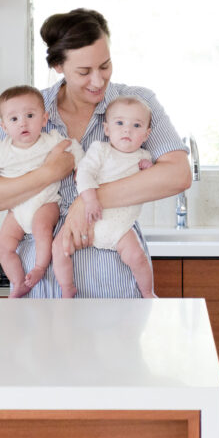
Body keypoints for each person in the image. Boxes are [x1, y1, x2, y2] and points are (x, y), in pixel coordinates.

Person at [0, 8, 191, 298]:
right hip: (43, 290)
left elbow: (178, 174)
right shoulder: (28, 110)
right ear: (58, 66)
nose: (98, 81)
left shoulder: (137, 105)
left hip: (116, 286)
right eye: (84, 72)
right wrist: (48, 173)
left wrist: (85, 204)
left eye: (105, 66)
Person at [0, 85, 83, 298]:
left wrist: (79, 168)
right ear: (4, 126)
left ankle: (38, 268)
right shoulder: (0, 149)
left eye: (30, 115)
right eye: (14, 119)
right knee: (3, 245)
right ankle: (18, 282)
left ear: (44, 119)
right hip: (17, 208)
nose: (23, 123)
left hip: (46, 202)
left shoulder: (52, 140)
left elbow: (73, 146)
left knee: (41, 230)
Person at [53, 95, 157, 298]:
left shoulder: (144, 158)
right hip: (87, 218)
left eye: (136, 125)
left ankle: (148, 292)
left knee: (137, 257)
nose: (127, 130)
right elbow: (83, 173)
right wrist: (90, 199)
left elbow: (150, 185)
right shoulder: (100, 150)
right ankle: (67, 288)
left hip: (120, 226)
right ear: (107, 129)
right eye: (120, 123)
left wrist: (148, 170)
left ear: (146, 134)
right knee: (59, 248)